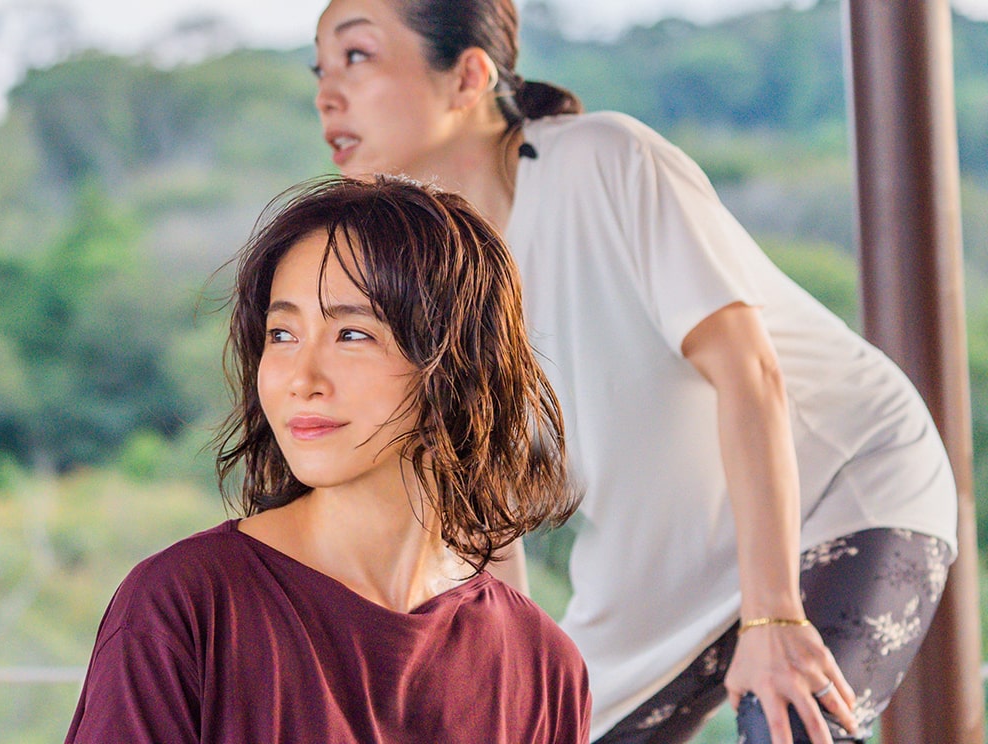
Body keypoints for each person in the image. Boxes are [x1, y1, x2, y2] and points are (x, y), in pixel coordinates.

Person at [310, 2, 958, 743]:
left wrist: (773, 615)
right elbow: (488, 524)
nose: (327, 93)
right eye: (318, 68)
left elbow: (751, 374)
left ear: (468, 76)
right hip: (662, 572)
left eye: (356, 56)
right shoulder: (427, 286)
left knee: (786, 725)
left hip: (841, 488)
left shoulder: (604, 160)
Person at [64, 176, 592, 743]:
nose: (302, 378)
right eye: (282, 334)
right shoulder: (185, 606)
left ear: (460, 360)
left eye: (352, 335)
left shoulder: (543, 666)